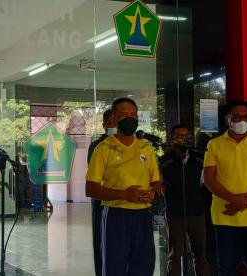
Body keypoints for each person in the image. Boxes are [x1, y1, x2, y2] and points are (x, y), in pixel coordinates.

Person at [86, 97, 162, 276]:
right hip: (115, 216)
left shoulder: (146, 148)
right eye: (124, 114)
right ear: (113, 118)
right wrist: (124, 194)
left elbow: (157, 182)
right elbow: (90, 189)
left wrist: (152, 194)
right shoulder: (103, 148)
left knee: (144, 267)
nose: (130, 118)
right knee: (114, 267)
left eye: (133, 115)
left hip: (143, 216)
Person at [203, 101, 247, 276]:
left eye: (246, 117)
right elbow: (208, 179)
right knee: (226, 267)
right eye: (237, 117)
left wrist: (243, 201)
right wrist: (233, 199)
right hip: (224, 217)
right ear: (227, 119)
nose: (242, 121)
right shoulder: (214, 145)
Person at [159, 124, 210, 276]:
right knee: (175, 255)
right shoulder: (164, 161)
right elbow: (160, 185)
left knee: (200, 255)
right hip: (175, 214)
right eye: (180, 136)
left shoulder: (200, 159)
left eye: (187, 136)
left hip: (197, 213)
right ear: (172, 139)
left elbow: (205, 183)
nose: (184, 139)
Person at [87, 109, 116, 276]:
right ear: (105, 125)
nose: (114, 126)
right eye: (111, 123)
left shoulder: (134, 145)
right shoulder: (97, 146)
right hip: (101, 201)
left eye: (116, 122)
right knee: (101, 242)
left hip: (124, 203)